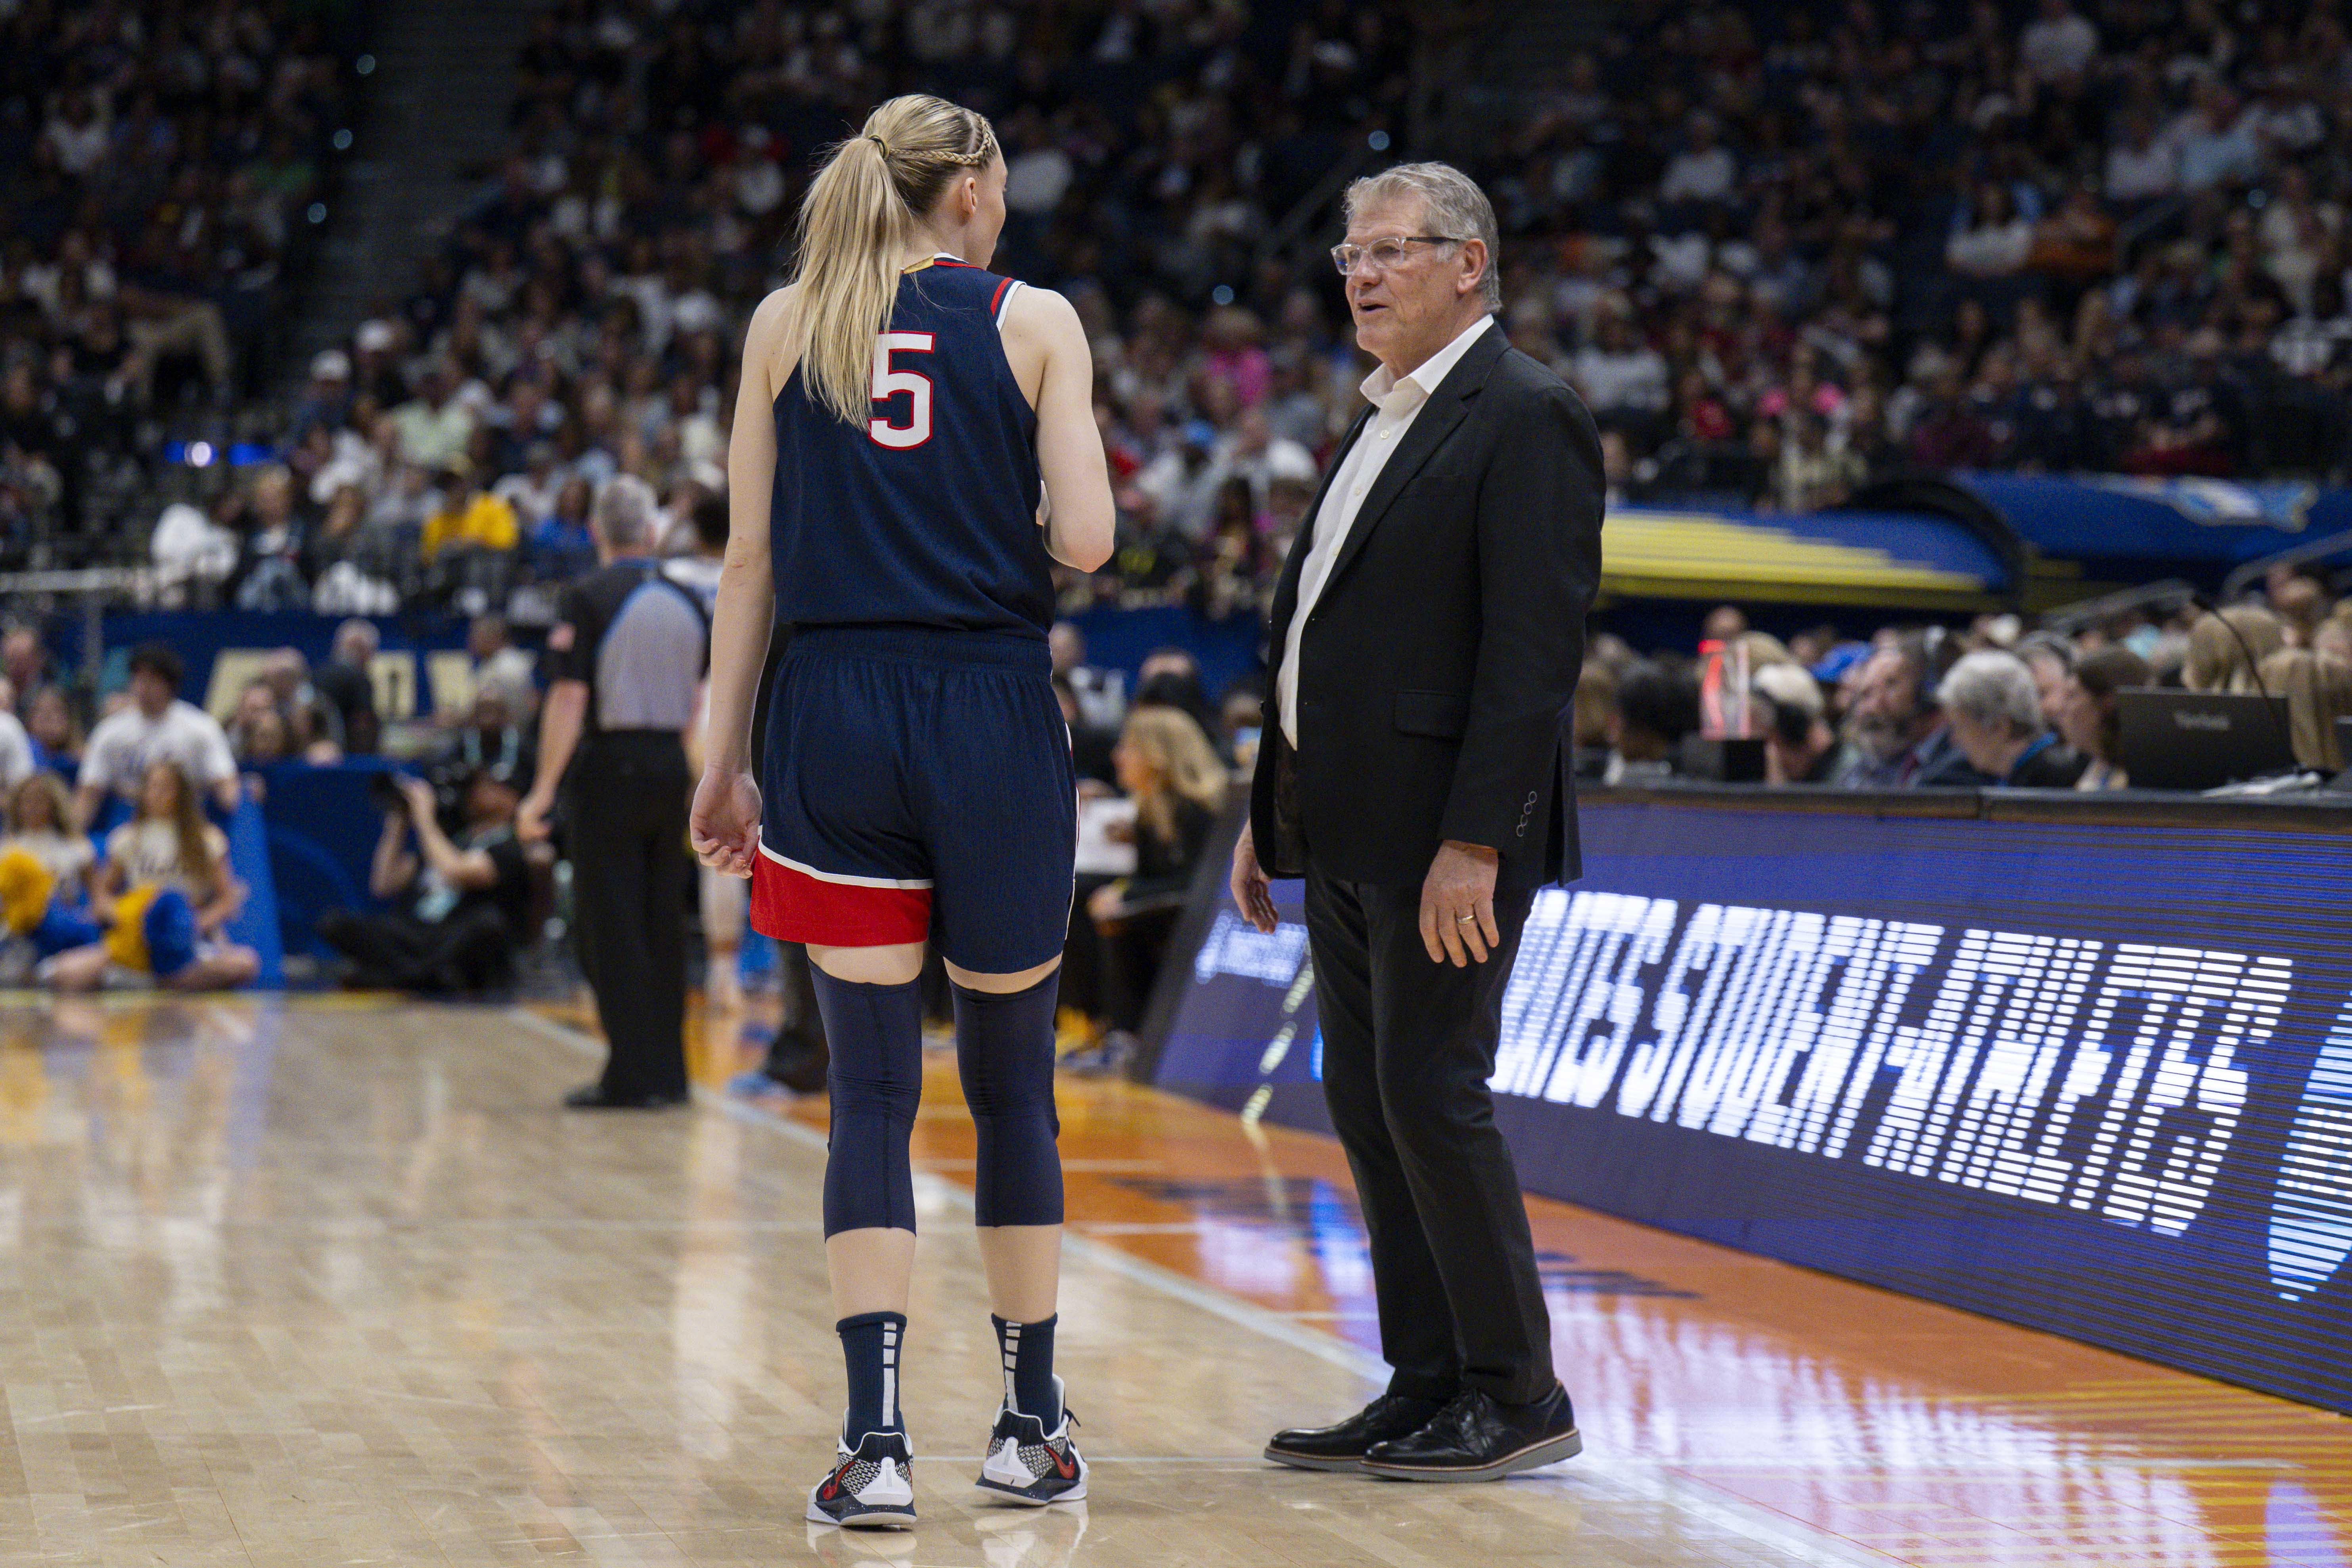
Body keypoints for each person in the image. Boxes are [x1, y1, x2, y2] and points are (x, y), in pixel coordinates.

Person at [686, 96, 1114, 1528]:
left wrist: (717, 749)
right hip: (987, 707)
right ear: (978, 192)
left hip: (830, 710)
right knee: (1009, 1082)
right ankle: (1027, 1422)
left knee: (867, 1087)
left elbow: (747, 560)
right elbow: (1092, 540)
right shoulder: (1035, 317)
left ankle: (875, 1446)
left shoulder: (782, 322)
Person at [1232, 161, 1595, 1481]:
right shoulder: (1382, 411)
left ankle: (1519, 1390)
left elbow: (1531, 654)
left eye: (1390, 251)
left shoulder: (1528, 412)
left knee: (1433, 1094)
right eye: (1348, 255)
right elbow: (1317, 632)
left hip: (1444, 837)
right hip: (1341, 824)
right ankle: (1428, 1375)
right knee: (1366, 1094)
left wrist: (1477, 838)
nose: (1361, 274)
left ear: (1468, 266)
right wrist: (1268, 806)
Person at [516, 474, 708, 1110]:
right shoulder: (688, 598)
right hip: (671, 768)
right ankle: (670, 1073)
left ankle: (629, 1072)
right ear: (650, 531)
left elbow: (569, 697)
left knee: (610, 926)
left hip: (610, 767)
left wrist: (541, 790)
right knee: (664, 922)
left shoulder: (588, 596)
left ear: (598, 530)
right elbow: (702, 698)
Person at [320, 766, 538, 993]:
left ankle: (401, 976)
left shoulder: (511, 848)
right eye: (478, 785)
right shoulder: (451, 840)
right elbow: (383, 885)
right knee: (336, 923)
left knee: (487, 925)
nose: (477, 791)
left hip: (455, 934)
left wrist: (425, 818)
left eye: (491, 786)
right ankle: (418, 976)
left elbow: (457, 871)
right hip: (418, 933)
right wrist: (398, 823)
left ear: (513, 799)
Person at [46, 762, 259, 992]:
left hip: (185, 939)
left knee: (246, 965)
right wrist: (120, 915)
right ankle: (166, 980)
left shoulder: (206, 838)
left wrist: (195, 924)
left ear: (183, 794)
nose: (159, 794)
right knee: (63, 974)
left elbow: (228, 899)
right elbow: (102, 894)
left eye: (167, 788)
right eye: (153, 787)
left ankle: (147, 979)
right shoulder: (128, 837)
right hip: (137, 938)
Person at [1086, 706, 1229, 1044]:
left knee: (1124, 923)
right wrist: (1120, 893)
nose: (1117, 756)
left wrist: (1126, 897)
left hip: (1205, 913)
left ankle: (1130, 1035)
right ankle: (1101, 1026)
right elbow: (1146, 876)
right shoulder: (1151, 809)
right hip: (1168, 907)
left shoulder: (1196, 809)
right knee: (1088, 906)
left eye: (1128, 747)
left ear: (1156, 755)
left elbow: (1198, 880)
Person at [75, 643, 241, 827]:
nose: (143, 687)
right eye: (138, 678)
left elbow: (227, 789)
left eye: (152, 680)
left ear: (170, 685)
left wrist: (246, 796)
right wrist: (72, 838)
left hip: (184, 822)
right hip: (129, 820)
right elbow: (89, 794)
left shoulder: (201, 729)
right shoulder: (110, 732)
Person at [1834, 638, 1987, 788]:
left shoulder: (1957, 767)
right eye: (1866, 694)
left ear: (1929, 695)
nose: (1872, 707)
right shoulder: (1863, 768)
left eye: (1891, 685)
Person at [1939, 651, 2086, 787]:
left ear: (1999, 726)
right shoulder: (2020, 775)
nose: (1954, 739)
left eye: (1960, 727)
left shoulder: (2050, 783)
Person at [2055, 646, 2151, 789]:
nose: (2060, 708)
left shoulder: (2137, 783)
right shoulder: (2096, 764)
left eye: (2072, 696)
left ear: (2107, 705)